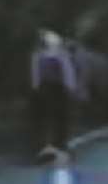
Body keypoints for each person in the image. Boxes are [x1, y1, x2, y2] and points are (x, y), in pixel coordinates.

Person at [27, 30, 84, 163]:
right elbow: (67, 73)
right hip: (54, 90)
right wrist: (70, 88)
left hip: (52, 90)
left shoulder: (43, 55)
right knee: (56, 120)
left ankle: (52, 147)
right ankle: (53, 147)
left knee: (53, 120)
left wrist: (36, 88)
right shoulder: (51, 56)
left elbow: (36, 74)